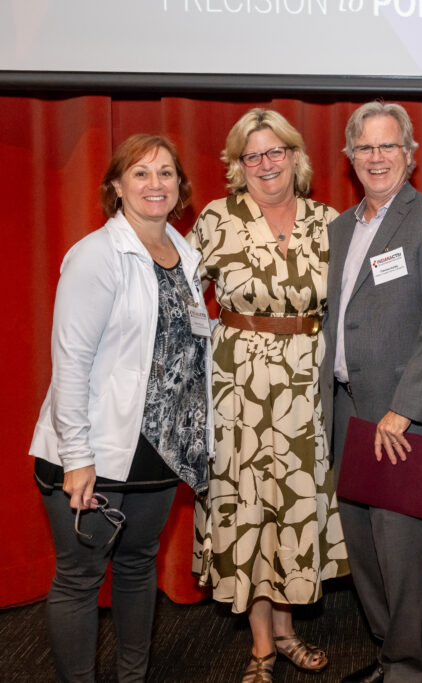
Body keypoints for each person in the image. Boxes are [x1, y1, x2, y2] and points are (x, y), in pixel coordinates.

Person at [29, 133, 211, 682]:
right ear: (116, 186)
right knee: (81, 579)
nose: (154, 184)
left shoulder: (187, 254)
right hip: (94, 452)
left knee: (137, 569)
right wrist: (78, 458)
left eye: (165, 173)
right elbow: (71, 363)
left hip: (160, 449)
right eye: (140, 173)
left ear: (180, 187)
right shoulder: (95, 256)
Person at [190, 108, 347, 683]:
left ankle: (286, 631)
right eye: (251, 155)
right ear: (237, 166)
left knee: (292, 505)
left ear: (295, 156)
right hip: (237, 387)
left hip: (307, 383)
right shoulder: (215, 219)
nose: (264, 164)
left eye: (274, 151)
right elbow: (181, 298)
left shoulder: (329, 222)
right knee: (247, 503)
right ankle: (261, 644)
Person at [323, 101, 422, 683]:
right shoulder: (339, 227)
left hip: (403, 418)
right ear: (350, 157)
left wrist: (404, 409)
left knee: (401, 553)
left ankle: (409, 668)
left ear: (410, 154)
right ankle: (388, 652)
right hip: (347, 410)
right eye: (365, 147)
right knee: (362, 547)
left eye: (389, 146)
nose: (377, 157)